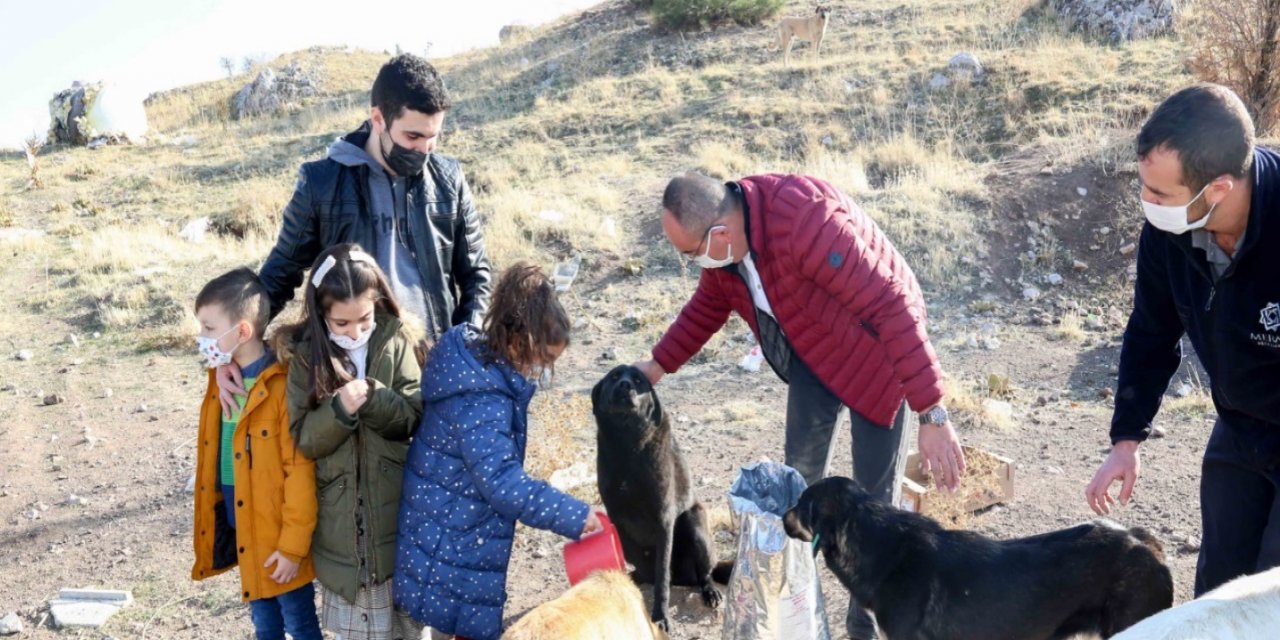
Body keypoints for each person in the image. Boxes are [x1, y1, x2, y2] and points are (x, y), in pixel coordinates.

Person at [633, 171, 965, 640]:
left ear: (720, 234)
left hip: (877, 352)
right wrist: (656, 367)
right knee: (798, 483)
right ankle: (794, 611)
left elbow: (892, 304)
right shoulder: (727, 256)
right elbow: (706, 308)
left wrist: (931, 410)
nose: (694, 265)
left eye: (691, 254)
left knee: (872, 507)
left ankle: (862, 628)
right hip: (815, 348)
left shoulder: (802, 218)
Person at [216, 52, 491, 415]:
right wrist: (230, 349)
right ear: (378, 118)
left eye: (433, 138)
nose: (424, 149)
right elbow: (279, 273)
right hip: (352, 374)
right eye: (413, 136)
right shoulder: (321, 183)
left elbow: (476, 276)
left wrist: (463, 346)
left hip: (434, 365)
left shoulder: (449, 179)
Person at [1086, 83, 1280, 596]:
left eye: (1160, 194)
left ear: (1217, 188)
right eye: (1145, 187)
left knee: (1270, 601)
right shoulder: (1168, 232)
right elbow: (1151, 331)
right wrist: (1126, 439)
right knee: (1219, 589)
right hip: (1240, 426)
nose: (1147, 203)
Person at [395, 262, 604, 640]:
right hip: (453, 540)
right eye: (543, 360)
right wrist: (575, 515)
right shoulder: (482, 399)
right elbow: (503, 483)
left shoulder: (475, 365)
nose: (542, 372)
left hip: (445, 525)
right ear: (514, 342)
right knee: (450, 624)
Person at [278, 244, 424, 640]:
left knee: (409, 628)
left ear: (378, 303)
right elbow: (304, 439)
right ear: (320, 312)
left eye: (364, 319)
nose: (355, 331)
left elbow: (413, 417)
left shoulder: (396, 340)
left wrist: (376, 397)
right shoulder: (305, 355)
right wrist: (339, 411)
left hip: (397, 524)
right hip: (341, 534)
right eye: (341, 323)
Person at [190, 268, 321, 640]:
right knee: (265, 625)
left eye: (209, 328)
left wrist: (293, 548)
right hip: (244, 524)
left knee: (299, 623)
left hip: (280, 537)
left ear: (242, 332)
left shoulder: (281, 387)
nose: (202, 338)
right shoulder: (221, 380)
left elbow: (299, 472)